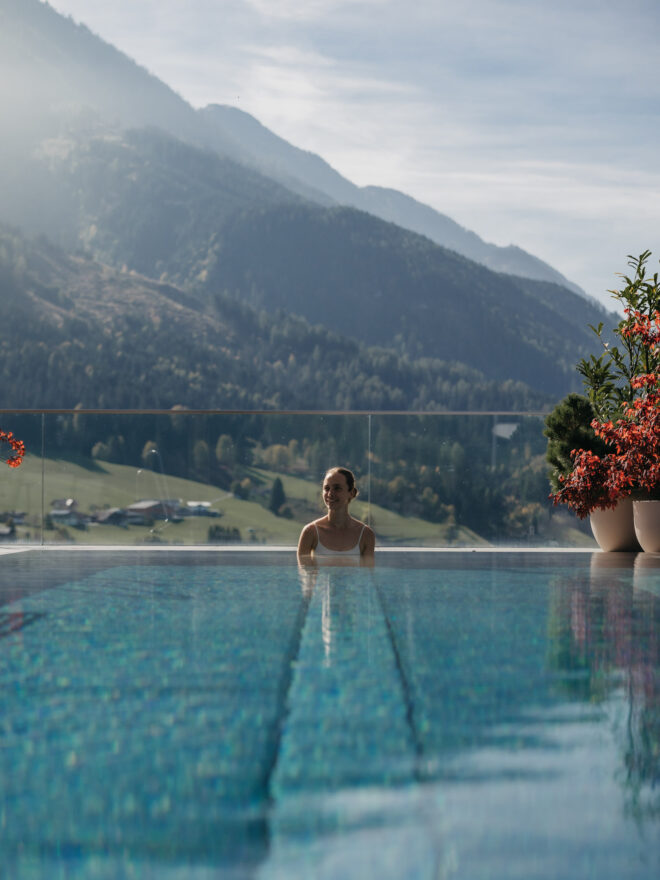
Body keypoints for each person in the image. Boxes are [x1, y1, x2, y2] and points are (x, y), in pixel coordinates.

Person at [297, 467, 375, 561]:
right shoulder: (310, 532)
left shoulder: (366, 534)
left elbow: (368, 574)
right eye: (327, 488)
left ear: (352, 493)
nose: (330, 494)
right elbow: (303, 573)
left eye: (337, 488)